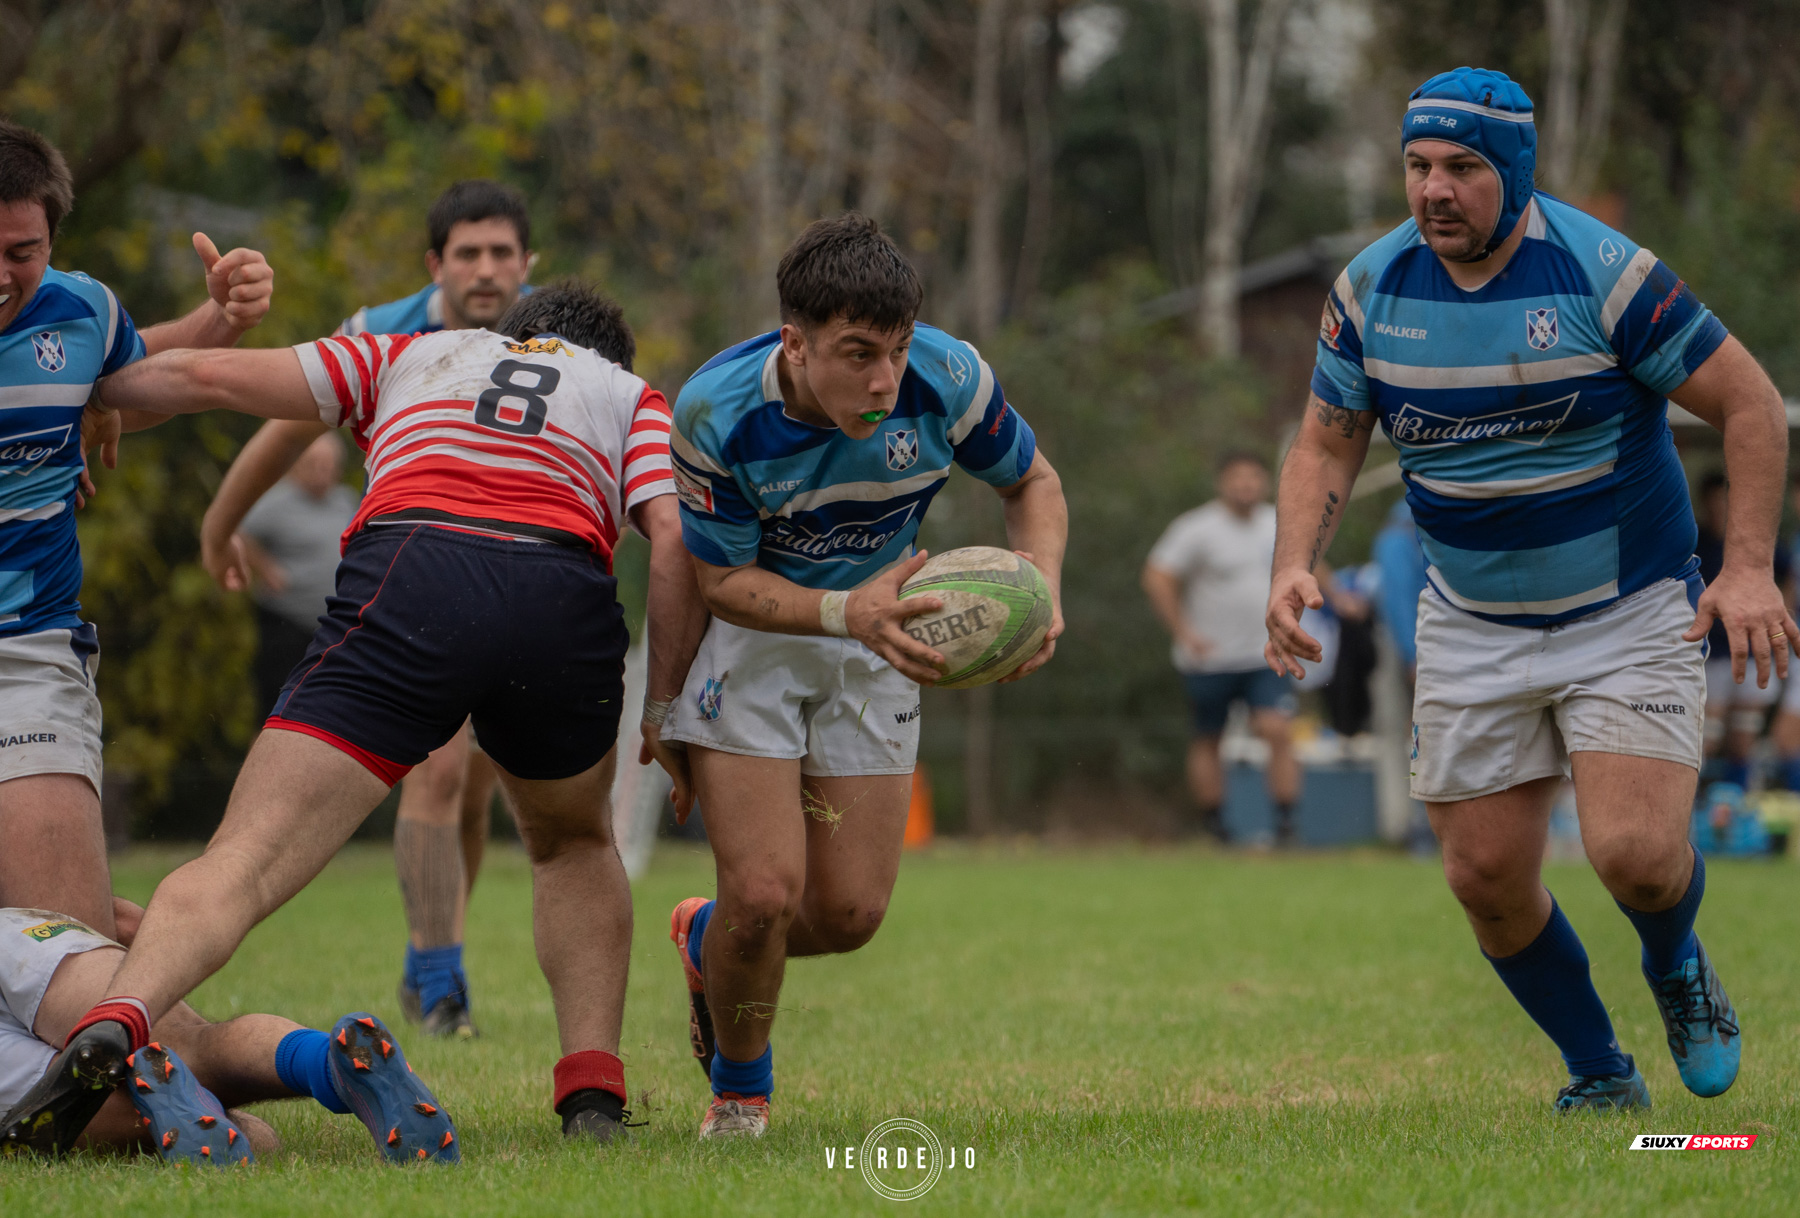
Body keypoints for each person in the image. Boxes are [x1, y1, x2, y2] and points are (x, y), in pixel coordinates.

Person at [10, 281, 702, 1149]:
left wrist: (88, 397)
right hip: (555, 592)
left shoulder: (417, 349)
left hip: (414, 574)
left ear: (505, 332)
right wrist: (665, 707)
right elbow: (671, 541)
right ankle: (593, 1098)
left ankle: (116, 1020)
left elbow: (208, 377)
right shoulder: (630, 396)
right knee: (572, 844)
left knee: (247, 859)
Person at [1268, 67, 1785, 1110]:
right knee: (1485, 880)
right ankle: (1600, 1072)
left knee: (1636, 855)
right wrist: (1293, 564)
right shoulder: (1372, 290)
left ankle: (1675, 963)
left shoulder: (1606, 276)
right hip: (1471, 621)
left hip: (1629, 605)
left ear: (1513, 169)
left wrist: (1748, 569)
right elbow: (1326, 442)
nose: (1434, 191)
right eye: (1417, 167)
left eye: (1461, 168)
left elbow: (1752, 403)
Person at [659, 213, 1067, 1140]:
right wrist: (848, 613)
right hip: (758, 637)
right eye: (855, 354)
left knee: (846, 915)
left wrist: (1039, 590)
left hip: (884, 640)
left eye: (895, 350)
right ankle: (741, 1091)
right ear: (794, 344)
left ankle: (703, 939)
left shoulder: (949, 377)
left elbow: (1033, 484)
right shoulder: (716, 410)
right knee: (764, 895)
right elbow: (720, 581)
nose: (883, 379)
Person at [205, 179, 535, 1038]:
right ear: (437, 263)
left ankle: (436, 956)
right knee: (438, 769)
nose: (488, 269)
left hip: (524, 589)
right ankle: (438, 982)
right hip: (414, 581)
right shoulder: (378, 333)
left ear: (527, 263)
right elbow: (280, 428)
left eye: (503, 252)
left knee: (470, 792)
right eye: (469, 252)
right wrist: (221, 522)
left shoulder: (558, 335)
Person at [0, 119, 273, 945]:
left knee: (57, 942)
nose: (2, 274)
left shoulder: (79, 311)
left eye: (22, 251)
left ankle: (274, 1051)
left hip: (25, 651)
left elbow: (138, 376)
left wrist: (221, 316)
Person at [0, 898, 455, 1166]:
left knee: (60, 1114)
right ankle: (326, 1062)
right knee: (195, 1045)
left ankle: (206, 1120)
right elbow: (127, 922)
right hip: (20, 938)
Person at [1143, 452, 1301, 844]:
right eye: (1237, 477)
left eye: (1253, 477)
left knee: (1276, 730)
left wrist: (1339, 600)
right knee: (1208, 738)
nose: (1245, 485)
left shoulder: (1279, 523)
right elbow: (1157, 576)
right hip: (1209, 658)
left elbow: (1309, 567)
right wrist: (1184, 632)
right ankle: (1216, 827)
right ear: (1221, 482)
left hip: (1266, 653)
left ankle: (1285, 824)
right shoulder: (1196, 528)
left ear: (1266, 482)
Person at [236, 430, 357, 717]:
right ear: (298, 463)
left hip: (333, 626)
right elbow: (239, 534)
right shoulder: (276, 501)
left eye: (328, 467)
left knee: (329, 711)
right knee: (276, 707)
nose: (321, 473)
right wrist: (266, 568)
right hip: (285, 622)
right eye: (314, 464)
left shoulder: (346, 500)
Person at [1693, 471, 1791, 787]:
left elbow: (1786, 581)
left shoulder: (1757, 543)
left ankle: (1737, 806)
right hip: (1711, 653)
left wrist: (1778, 625)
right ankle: (1700, 808)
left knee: (1744, 737)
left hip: (1753, 651)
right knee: (1707, 736)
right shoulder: (1696, 542)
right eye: (1716, 499)